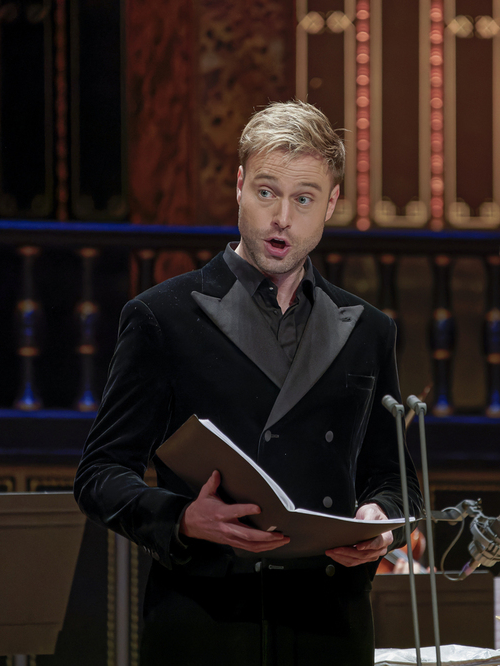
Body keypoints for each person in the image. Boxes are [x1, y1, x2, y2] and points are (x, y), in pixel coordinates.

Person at [74, 100, 422, 665]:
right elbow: (99, 475)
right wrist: (183, 518)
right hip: (209, 625)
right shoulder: (163, 316)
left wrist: (383, 521)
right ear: (239, 186)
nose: (281, 216)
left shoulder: (368, 330)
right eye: (266, 192)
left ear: (330, 203)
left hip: (328, 626)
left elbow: (395, 477)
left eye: (303, 198)